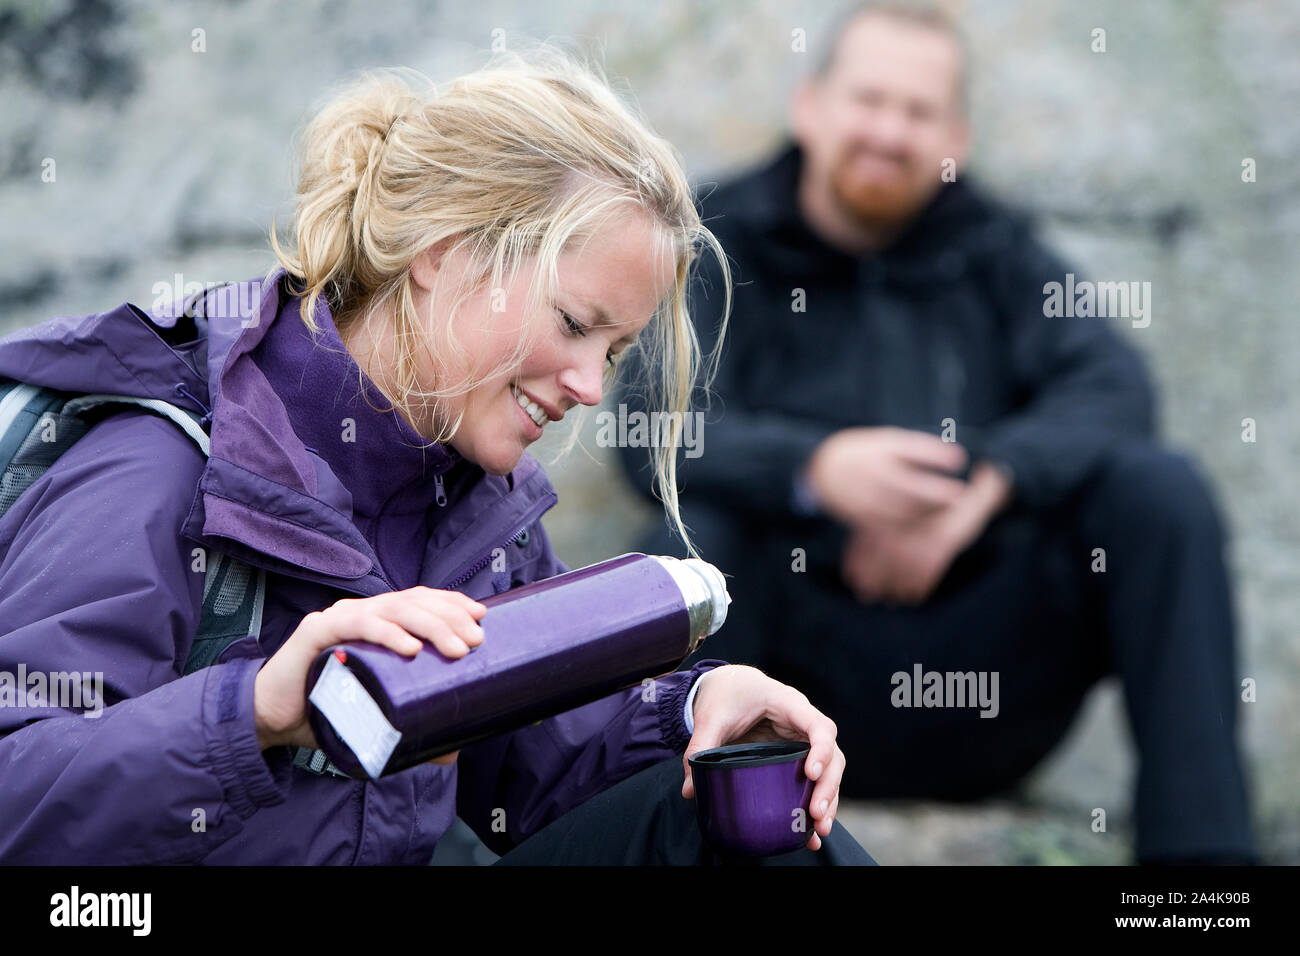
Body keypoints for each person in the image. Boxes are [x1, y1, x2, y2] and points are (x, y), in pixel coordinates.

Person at [0, 48, 875, 865]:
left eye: (612, 351)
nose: (590, 386)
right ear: (443, 251)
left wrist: (697, 710)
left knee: (755, 828)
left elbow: (542, 763)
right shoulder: (156, 463)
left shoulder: (473, 502)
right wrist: (257, 710)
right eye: (574, 324)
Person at [615, 3, 1256, 865]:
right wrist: (815, 471)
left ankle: (1203, 887)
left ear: (954, 134)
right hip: (788, 691)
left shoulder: (993, 248)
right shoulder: (721, 242)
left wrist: (986, 488)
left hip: (986, 690)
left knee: (1158, 492)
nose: (889, 131)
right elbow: (645, 428)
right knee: (693, 549)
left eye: (918, 113)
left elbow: (1116, 386)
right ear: (811, 105)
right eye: (869, 100)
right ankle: (674, 841)